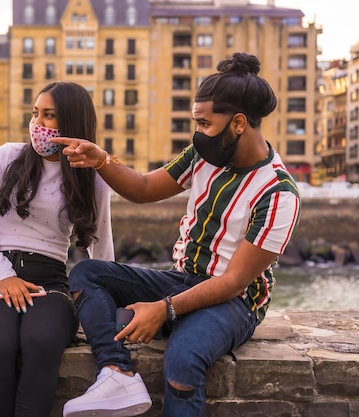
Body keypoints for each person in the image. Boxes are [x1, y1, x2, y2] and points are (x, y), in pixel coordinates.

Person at [51, 52, 301, 417]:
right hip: (181, 280)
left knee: (184, 361)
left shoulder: (278, 192)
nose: (197, 132)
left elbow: (233, 282)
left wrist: (163, 309)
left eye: (203, 123)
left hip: (235, 301)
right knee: (87, 274)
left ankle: (167, 326)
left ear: (239, 123)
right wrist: (101, 159)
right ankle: (118, 372)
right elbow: (143, 188)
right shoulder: (203, 156)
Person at [0, 81, 115, 417]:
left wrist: (107, 307)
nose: (38, 124)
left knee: (42, 343)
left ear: (72, 124)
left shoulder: (94, 177)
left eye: (49, 116)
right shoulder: (7, 157)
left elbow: (100, 246)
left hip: (50, 281)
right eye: (36, 114)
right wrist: (4, 277)